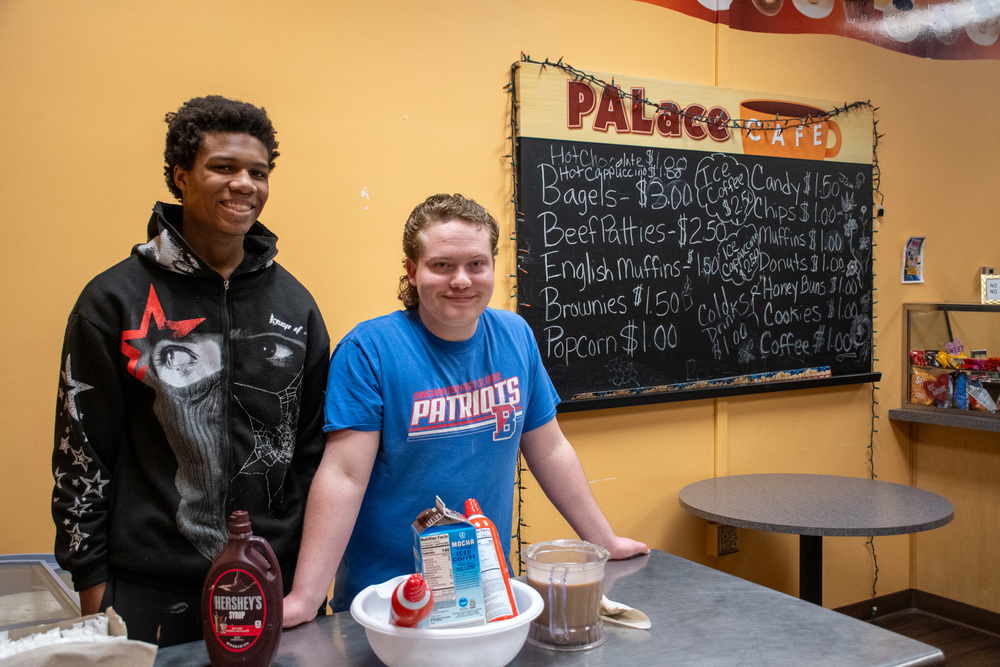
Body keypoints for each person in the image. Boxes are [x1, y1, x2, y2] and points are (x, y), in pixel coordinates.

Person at [283, 193, 647, 626]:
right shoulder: (369, 350)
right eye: (442, 265)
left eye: (476, 264)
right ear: (411, 270)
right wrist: (306, 598)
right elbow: (344, 475)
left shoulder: (515, 335)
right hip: (388, 600)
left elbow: (550, 451)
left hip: (488, 592)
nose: (461, 280)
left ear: (493, 265)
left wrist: (603, 540)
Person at [50, 95, 331, 646]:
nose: (244, 184)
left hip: (273, 582)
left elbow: (313, 452)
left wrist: (307, 582)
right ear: (181, 176)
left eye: (258, 172)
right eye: (223, 167)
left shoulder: (295, 306)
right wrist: (93, 590)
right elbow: (81, 454)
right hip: (146, 589)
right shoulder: (114, 300)